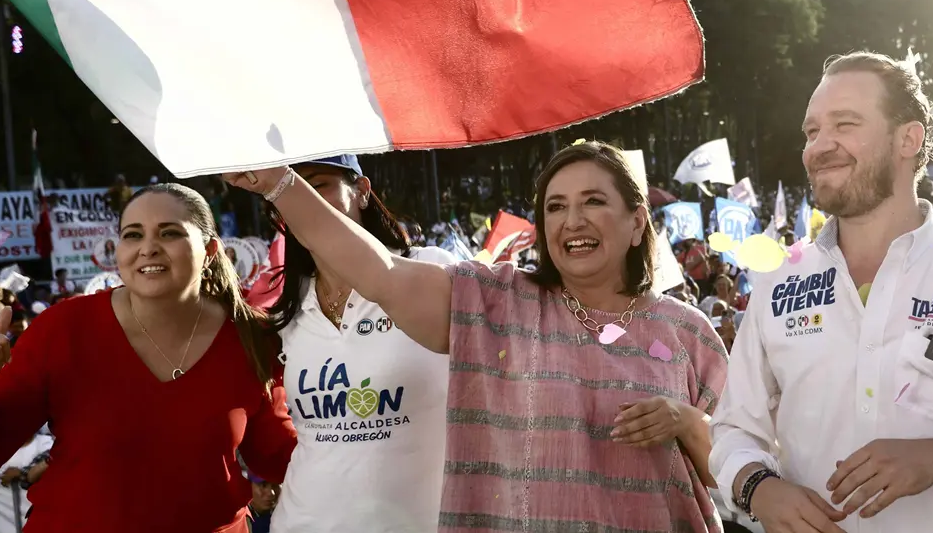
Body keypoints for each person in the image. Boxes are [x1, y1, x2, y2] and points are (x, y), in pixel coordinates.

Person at [226, 141, 729, 532]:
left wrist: (685, 420)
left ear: (638, 222)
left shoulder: (688, 332)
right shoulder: (500, 303)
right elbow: (379, 273)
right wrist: (278, 184)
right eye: (555, 207)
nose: (572, 220)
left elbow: (736, 467)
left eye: (593, 201)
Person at [709, 51, 933, 533]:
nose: (820, 146)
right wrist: (760, 488)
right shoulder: (780, 281)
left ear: (909, 138)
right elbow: (734, 430)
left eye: (845, 124)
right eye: (812, 131)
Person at [0, 184, 297, 532]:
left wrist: (348, 421)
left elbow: (278, 455)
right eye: (132, 235)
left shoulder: (252, 335)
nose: (148, 248)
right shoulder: (61, 328)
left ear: (210, 250)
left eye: (169, 233)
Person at [263, 155, 457, 533]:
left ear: (363, 191)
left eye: (317, 185)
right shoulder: (289, 306)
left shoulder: (429, 270)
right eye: (288, 189)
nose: (301, 199)